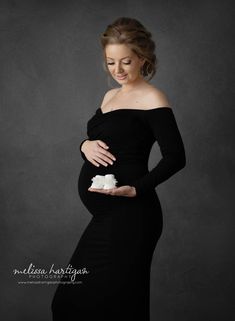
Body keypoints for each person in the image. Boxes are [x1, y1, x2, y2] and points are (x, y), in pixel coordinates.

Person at [51, 16, 186, 321]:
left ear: (143, 58)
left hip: (132, 215)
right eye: (111, 62)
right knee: (75, 303)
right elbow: (99, 141)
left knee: (113, 306)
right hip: (107, 214)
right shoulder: (110, 96)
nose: (118, 70)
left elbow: (176, 157)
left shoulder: (153, 97)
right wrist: (83, 146)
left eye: (126, 61)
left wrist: (137, 187)